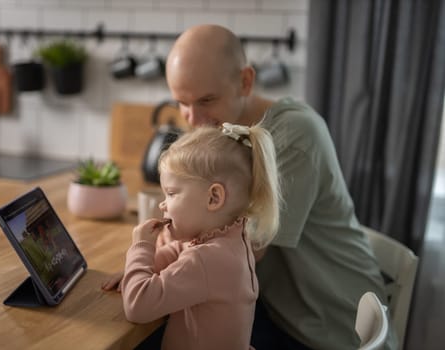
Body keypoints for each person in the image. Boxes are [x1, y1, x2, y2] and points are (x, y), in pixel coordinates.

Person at [103, 24, 397, 349]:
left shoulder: (295, 134)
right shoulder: (226, 137)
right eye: (182, 103)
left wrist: (145, 265)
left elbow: (247, 245)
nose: (193, 119)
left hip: (327, 328)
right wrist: (146, 263)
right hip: (279, 310)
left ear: (245, 81)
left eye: (206, 100)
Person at [119, 123, 281, 350]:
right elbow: (180, 252)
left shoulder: (206, 260)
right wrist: (139, 270)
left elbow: (137, 307)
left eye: (172, 193)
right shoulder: (233, 240)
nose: (163, 203)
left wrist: (141, 249)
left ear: (214, 198)